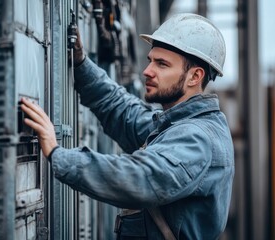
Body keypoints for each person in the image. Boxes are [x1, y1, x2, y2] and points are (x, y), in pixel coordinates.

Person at [21, 13, 234, 239]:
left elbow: (140, 177)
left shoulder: (197, 138)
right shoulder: (177, 125)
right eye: (151, 60)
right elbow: (124, 112)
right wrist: (81, 63)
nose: (147, 70)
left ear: (194, 76)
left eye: (162, 64)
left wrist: (58, 153)